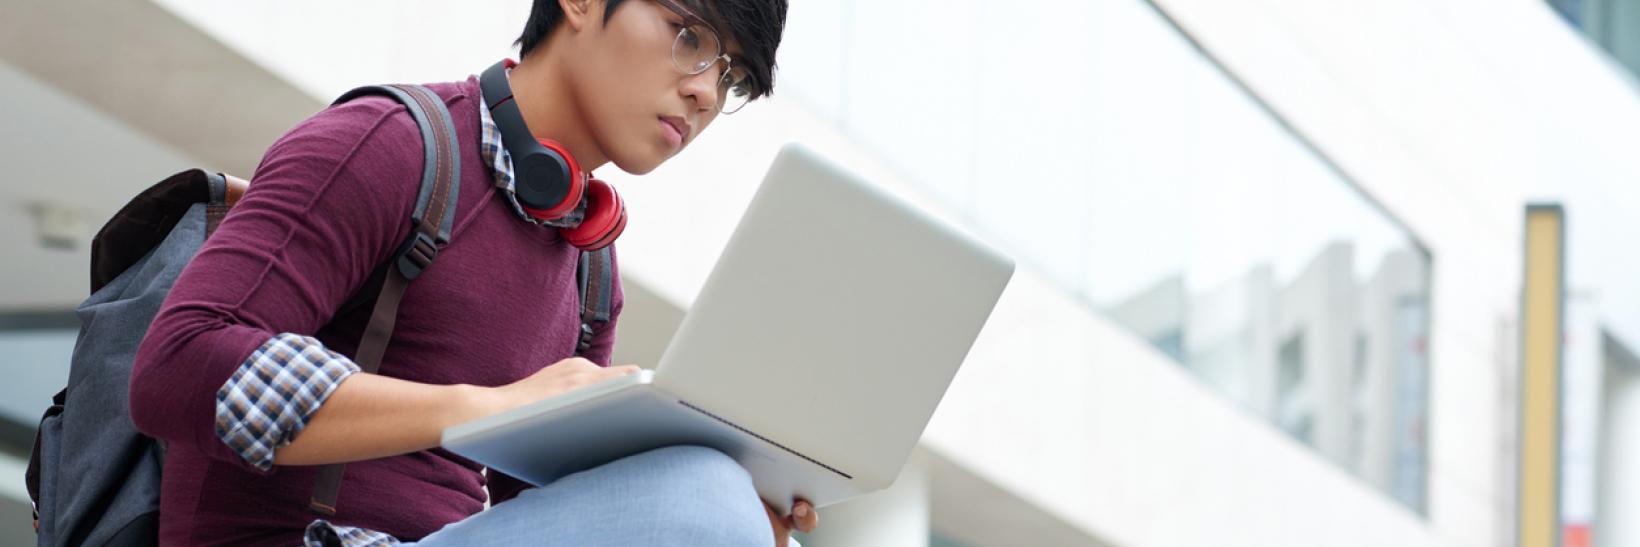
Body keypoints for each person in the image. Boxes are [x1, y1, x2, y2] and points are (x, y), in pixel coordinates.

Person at [127, 0, 812, 545]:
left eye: (734, 78)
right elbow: (177, 364)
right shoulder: (392, 143)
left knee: (722, 501)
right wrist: (485, 406)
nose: (704, 93)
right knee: (704, 496)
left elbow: (549, 511)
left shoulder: (590, 268)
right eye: (689, 36)